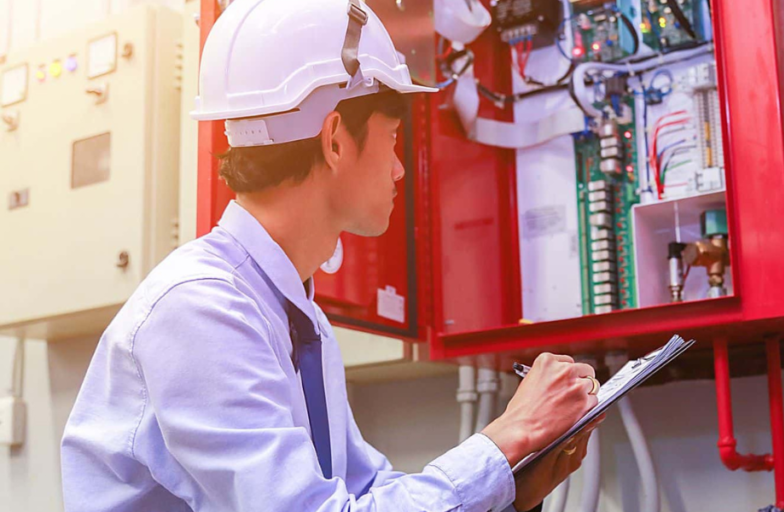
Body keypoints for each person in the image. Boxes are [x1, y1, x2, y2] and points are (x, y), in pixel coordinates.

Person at [60, 0, 602, 511]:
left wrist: (510, 486)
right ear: (335, 140)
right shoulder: (200, 309)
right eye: (392, 138)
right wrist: (504, 440)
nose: (399, 170)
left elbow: (365, 492)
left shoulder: (296, 316)